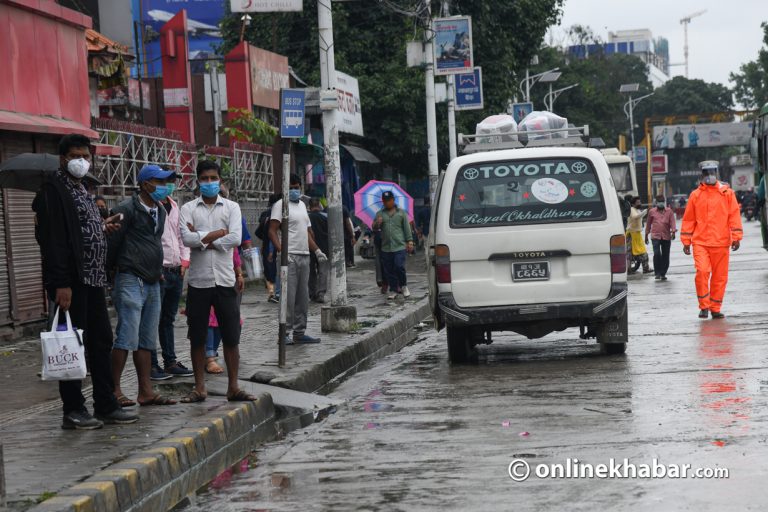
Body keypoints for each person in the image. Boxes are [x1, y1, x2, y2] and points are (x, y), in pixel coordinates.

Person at [32, 134, 138, 430]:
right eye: (76, 155)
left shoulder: (81, 188)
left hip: (93, 279)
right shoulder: (53, 191)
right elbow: (54, 241)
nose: (82, 161)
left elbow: (79, 231)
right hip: (72, 282)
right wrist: (61, 283)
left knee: (100, 340)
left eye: (86, 156)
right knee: (71, 344)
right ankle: (73, 409)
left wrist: (102, 228)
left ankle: (105, 404)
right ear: (63, 158)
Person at [179, 161, 255, 403]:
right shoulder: (188, 208)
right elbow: (186, 239)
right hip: (199, 281)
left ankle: (233, 387)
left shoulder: (232, 207)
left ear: (220, 181)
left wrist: (202, 239)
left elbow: (234, 237)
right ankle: (199, 387)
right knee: (198, 336)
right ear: (198, 181)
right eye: (204, 178)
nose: (209, 182)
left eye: (213, 178)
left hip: (225, 280)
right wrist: (215, 235)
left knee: (231, 337)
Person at [108, 165, 177, 407]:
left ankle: (145, 390)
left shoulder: (160, 210)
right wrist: (116, 269)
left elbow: (155, 243)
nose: (164, 186)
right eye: (159, 181)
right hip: (130, 277)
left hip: (153, 279)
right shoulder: (126, 209)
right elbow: (113, 243)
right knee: (126, 335)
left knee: (147, 338)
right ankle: (114, 390)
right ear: (146, 183)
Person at [268, 174, 328, 344]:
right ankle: (284, 333)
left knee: (303, 297)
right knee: (288, 296)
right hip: (290, 256)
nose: (294, 190)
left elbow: (306, 232)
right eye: (291, 187)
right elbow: (272, 230)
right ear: (285, 188)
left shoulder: (302, 205)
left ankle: (299, 332)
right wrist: (282, 251)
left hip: (305, 255)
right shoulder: (280, 205)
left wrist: (317, 251)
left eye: (296, 187)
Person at [680, 161, 743, 319]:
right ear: (702, 174)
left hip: (721, 243)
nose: (710, 175)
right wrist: (686, 241)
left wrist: (736, 237)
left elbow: (734, 216)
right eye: (706, 172)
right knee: (702, 272)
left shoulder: (727, 193)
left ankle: (715, 308)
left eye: (712, 172)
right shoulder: (695, 195)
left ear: (717, 172)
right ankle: (704, 307)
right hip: (700, 242)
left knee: (720, 277)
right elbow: (689, 220)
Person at [150, 171, 194, 381]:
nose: (167, 185)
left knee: (168, 319)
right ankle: (151, 365)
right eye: (162, 182)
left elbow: (181, 236)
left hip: (176, 271)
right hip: (158, 272)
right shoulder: (148, 208)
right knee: (152, 320)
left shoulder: (174, 206)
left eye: (169, 182)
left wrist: (185, 261)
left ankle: (170, 361)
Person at [205, 247, 244, 374]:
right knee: (209, 319)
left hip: (227, 279)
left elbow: (234, 254)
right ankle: (209, 357)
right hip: (206, 278)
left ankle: (213, 352)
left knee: (224, 318)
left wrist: (239, 274)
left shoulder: (230, 231)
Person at [374, 191, 414, 300]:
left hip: (399, 246)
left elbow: (406, 228)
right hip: (386, 247)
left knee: (399, 266)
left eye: (389, 200)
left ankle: (404, 285)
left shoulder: (401, 213)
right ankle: (393, 290)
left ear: (393, 200)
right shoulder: (380, 214)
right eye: (385, 201)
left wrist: (410, 241)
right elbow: (374, 227)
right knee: (389, 270)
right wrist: (377, 223)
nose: (387, 203)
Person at [255, 193, 281, 303]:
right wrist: (271, 251)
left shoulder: (265, 215)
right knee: (275, 271)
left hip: (267, 247)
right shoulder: (278, 215)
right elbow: (272, 234)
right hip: (275, 248)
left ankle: (272, 293)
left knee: (269, 271)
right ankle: (276, 293)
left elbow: (260, 232)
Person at [645, 195, 677, 281]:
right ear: (656, 202)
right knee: (657, 253)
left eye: (662, 201)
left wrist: (673, 231)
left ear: (664, 201)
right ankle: (657, 272)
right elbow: (648, 224)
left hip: (666, 236)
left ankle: (663, 273)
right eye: (659, 201)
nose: (661, 203)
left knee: (666, 255)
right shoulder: (651, 211)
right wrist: (646, 235)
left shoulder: (669, 211)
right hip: (655, 236)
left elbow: (672, 222)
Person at [308, 198, 330, 303]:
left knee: (311, 272)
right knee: (323, 272)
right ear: (319, 205)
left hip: (309, 248)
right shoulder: (325, 217)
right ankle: (321, 294)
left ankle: (312, 294)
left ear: (309, 206)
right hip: (324, 248)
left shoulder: (306, 218)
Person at [626, 196, 652, 275]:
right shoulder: (632, 210)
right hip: (631, 234)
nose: (640, 203)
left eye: (640, 202)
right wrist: (645, 211)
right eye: (638, 202)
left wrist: (644, 212)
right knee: (629, 253)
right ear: (633, 204)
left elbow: (639, 217)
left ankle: (645, 268)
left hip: (637, 234)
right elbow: (635, 217)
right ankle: (628, 269)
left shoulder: (637, 210)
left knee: (642, 251)